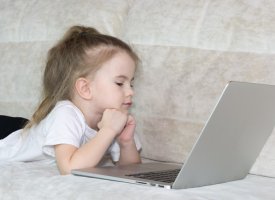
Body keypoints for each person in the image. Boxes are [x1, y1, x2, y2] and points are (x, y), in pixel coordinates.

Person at [0, 25, 141, 174]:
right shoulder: (66, 114)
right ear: (85, 88)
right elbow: (69, 169)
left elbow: (132, 171)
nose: (131, 91)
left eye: (131, 83)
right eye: (120, 83)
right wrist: (108, 131)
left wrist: (126, 142)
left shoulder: (114, 119)